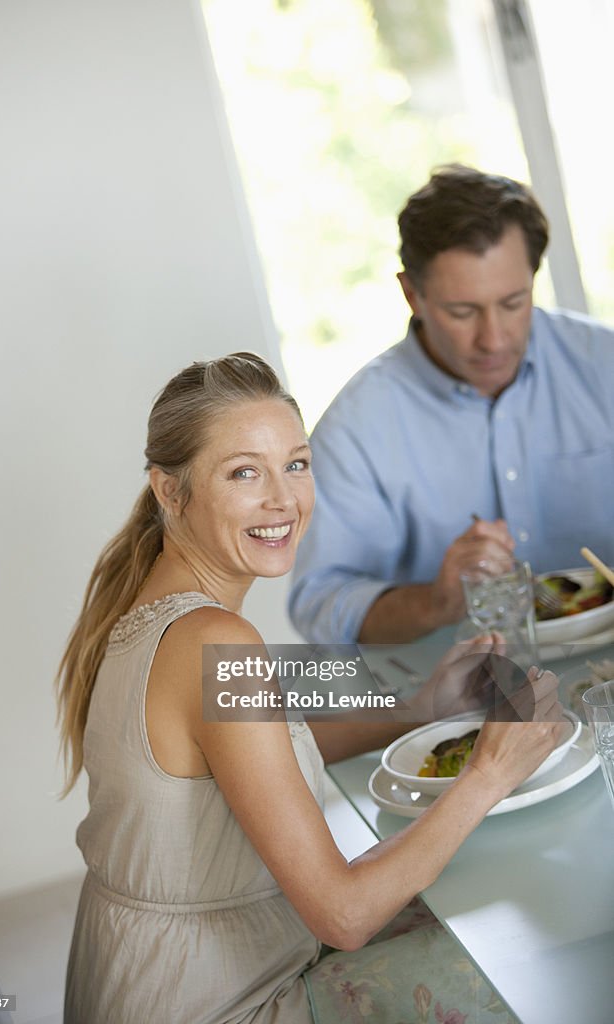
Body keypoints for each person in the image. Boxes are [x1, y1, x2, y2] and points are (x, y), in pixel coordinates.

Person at [57, 352, 563, 1024]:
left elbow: (262, 739)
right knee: (513, 956)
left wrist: (419, 706)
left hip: (141, 978)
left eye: (295, 463)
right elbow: (343, 916)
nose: (283, 499)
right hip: (216, 1002)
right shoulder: (214, 639)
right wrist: (488, 774)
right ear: (168, 490)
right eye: (244, 472)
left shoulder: (160, 610)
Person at [289, 164, 614, 645]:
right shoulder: (357, 427)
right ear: (411, 294)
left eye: (513, 302)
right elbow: (320, 606)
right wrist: (437, 601)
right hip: (466, 702)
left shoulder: (603, 365)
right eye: (462, 311)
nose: (494, 339)